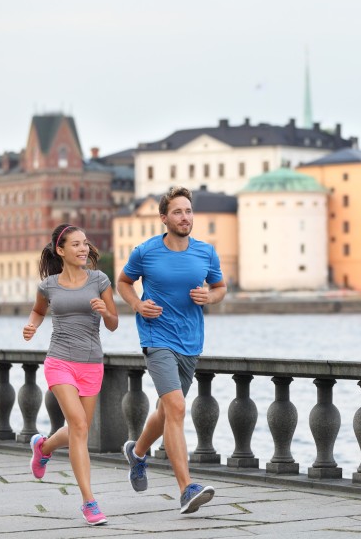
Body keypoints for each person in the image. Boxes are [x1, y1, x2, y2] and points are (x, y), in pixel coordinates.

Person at [116, 186, 226, 515]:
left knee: (166, 410)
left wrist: (210, 297)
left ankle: (137, 453)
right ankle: (186, 488)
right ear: (164, 218)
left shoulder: (206, 252)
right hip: (156, 337)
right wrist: (137, 304)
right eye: (178, 212)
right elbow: (123, 282)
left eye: (189, 211)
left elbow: (220, 288)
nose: (185, 217)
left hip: (190, 341)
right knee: (176, 407)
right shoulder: (145, 252)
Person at [22, 223, 118, 526]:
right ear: (60, 251)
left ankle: (44, 447)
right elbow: (38, 311)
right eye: (75, 244)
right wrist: (32, 326)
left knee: (81, 429)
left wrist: (104, 311)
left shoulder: (100, 280)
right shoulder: (48, 286)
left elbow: (114, 323)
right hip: (59, 361)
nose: (83, 249)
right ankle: (89, 502)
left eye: (85, 243)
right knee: (78, 425)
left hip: (91, 363)